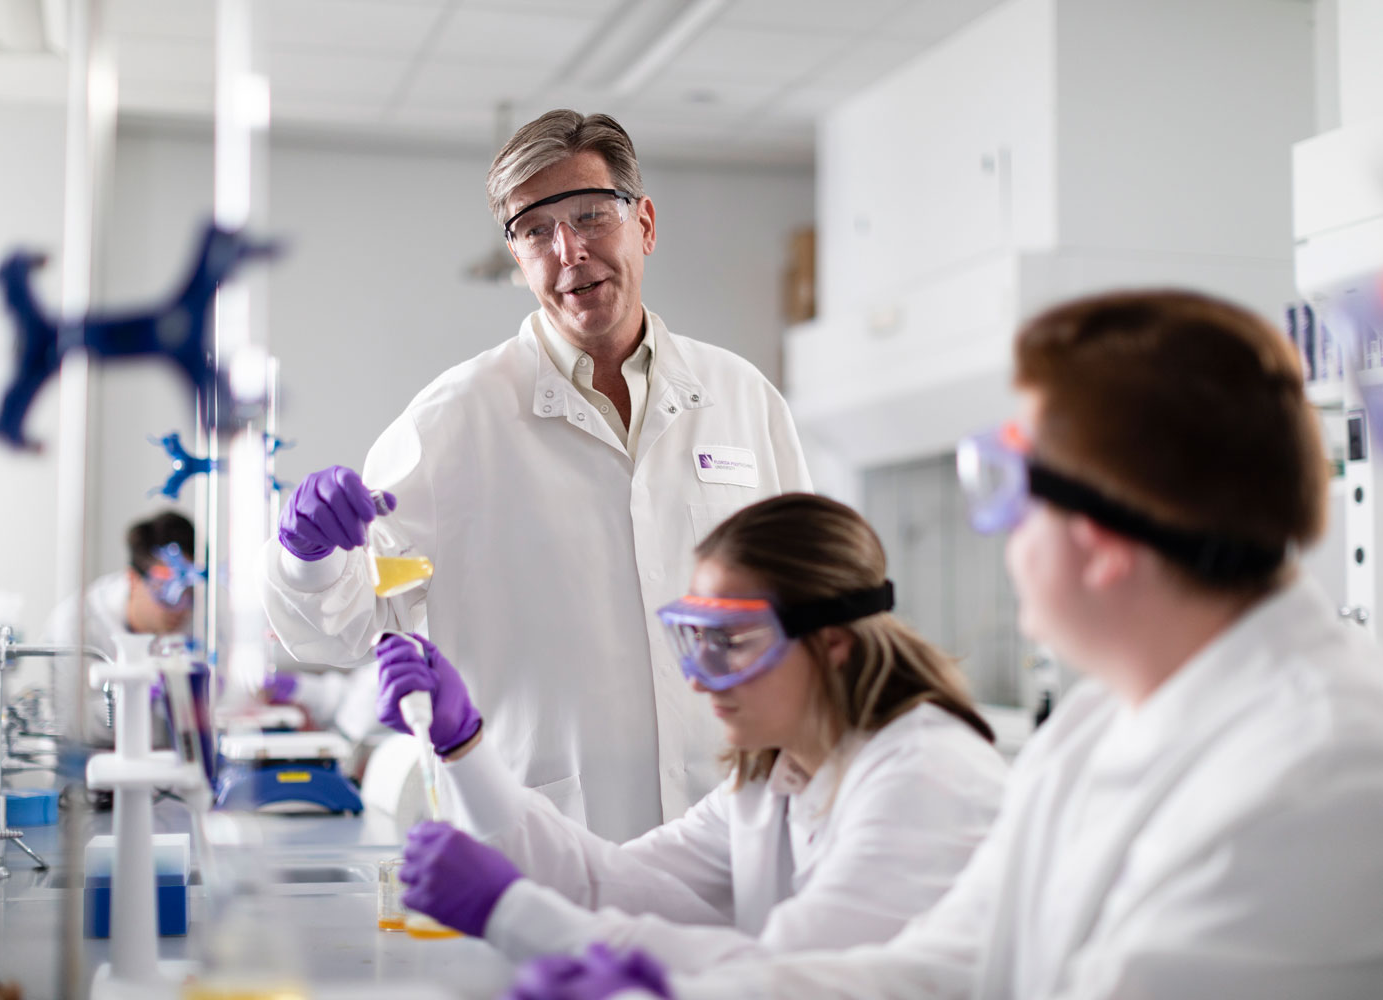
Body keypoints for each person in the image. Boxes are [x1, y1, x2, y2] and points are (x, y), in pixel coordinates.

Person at [508, 289, 1383, 999]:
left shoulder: (1315, 770)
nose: (1000, 536)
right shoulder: (1094, 731)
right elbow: (943, 966)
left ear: (1107, 542)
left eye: (1008, 486)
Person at [260, 110, 811, 841]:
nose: (570, 250)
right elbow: (348, 627)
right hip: (547, 835)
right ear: (517, 259)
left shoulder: (743, 400)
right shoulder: (452, 423)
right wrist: (308, 560)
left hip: (738, 828)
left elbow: (813, 606)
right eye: (534, 231)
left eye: (592, 215)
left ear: (643, 224)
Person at [377, 493, 1006, 973]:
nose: (702, 681)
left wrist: (513, 912)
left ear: (834, 643)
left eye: (731, 643)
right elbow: (609, 887)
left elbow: (785, 981)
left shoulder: (924, 774)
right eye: (695, 639)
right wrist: (464, 747)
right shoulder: (777, 776)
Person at [40, 510, 196, 743]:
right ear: (133, 579)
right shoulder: (77, 623)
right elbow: (70, 723)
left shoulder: (205, 613)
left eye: (188, 589)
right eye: (165, 590)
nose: (180, 605)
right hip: (89, 766)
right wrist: (141, 691)